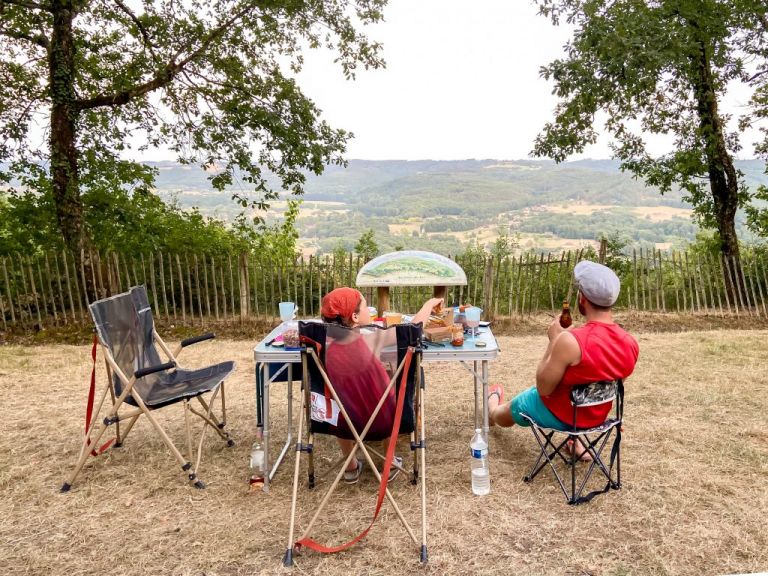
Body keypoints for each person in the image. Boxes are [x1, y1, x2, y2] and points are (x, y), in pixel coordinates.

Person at [488, 260, 639, 459]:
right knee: (574, 386)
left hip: (562, 414)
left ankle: (491, 410)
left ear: (582, 298)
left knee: (519, 403)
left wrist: (553, 341)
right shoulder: (630, 343)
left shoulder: (571, 341)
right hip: (596, 417)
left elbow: (544, 389)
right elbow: (608, 384)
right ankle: (575, 441)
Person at [320, 287, 443, 483]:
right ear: (355, 317)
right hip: (383, 422)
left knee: (338, 399)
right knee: (384, 394)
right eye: (364, 306)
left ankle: (350, 467)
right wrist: (429, 304)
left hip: (341, 422)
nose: (369, 308)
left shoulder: (320, 348)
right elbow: (415, 328)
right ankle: (390, 461)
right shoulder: (371, 340)